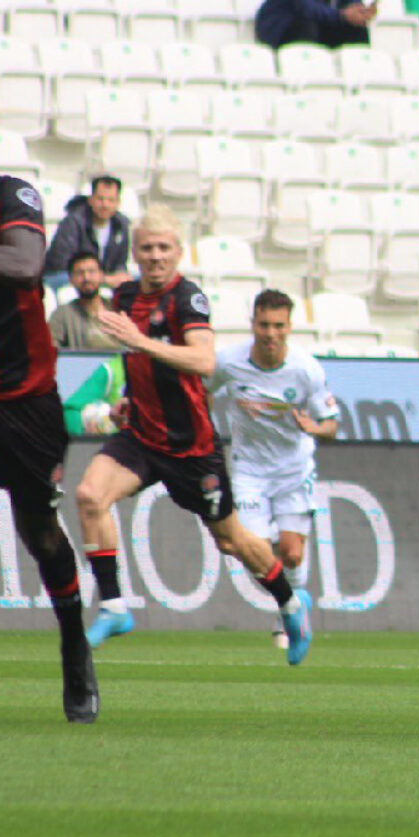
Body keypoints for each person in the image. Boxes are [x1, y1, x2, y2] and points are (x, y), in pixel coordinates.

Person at [73, 206, 314, 665]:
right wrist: (127, 397)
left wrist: (140, 341)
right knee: (89, 495)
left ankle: (290, 604)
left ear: (179, 252)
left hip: (191, 447)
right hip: (141, 434)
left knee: (232, 541)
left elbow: (204, 361)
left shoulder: (188, 299)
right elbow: (134, 359)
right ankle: (114, 607)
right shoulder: (125, 296)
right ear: (135, 251)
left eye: (164, 247)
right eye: (147, 247)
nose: (156, 256)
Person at [0, 132, 98, 722]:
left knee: (41, 535)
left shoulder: (13, 195)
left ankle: (74, 645)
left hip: (23, 400)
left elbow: (27, 263)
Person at [208, 289, 339, 651]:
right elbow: (201, 389)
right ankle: (293, 603)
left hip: (294, 471)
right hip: (249, 471)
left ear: (289, 327)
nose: (271, 333)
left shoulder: (306, 369)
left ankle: (287, 616)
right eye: (264, 325)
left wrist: (315, 428)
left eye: (279, 326)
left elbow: (332, 424)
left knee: (292, 553)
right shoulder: (228, 362)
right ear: (252, 324)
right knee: (254, 553)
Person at [43, 176, 131, 291]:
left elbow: (121, 263)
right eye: (100, 199)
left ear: (118, 202)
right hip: (69, 277)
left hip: (103, 278)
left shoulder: (121, 225)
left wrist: (119, 275)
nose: (105, 205)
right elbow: (61, 264)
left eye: (111, 200)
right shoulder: (73, 222)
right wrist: (101, 278)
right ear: (91, 200)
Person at [255, 0, 378, 50]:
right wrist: (343, 15)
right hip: (283, 27)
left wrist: (360, 13)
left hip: (322, 23)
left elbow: (352, 2)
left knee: (357, 28)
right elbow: (306, 7)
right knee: (307, 25)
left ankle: (358, 77)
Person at [47, 251, 117, 350]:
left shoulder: (117, 308)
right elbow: (50, 348)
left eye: (91, 271)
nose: (86, 278)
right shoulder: (62, 315)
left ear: (101, 275)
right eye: (79, 273)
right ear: (71, 279)